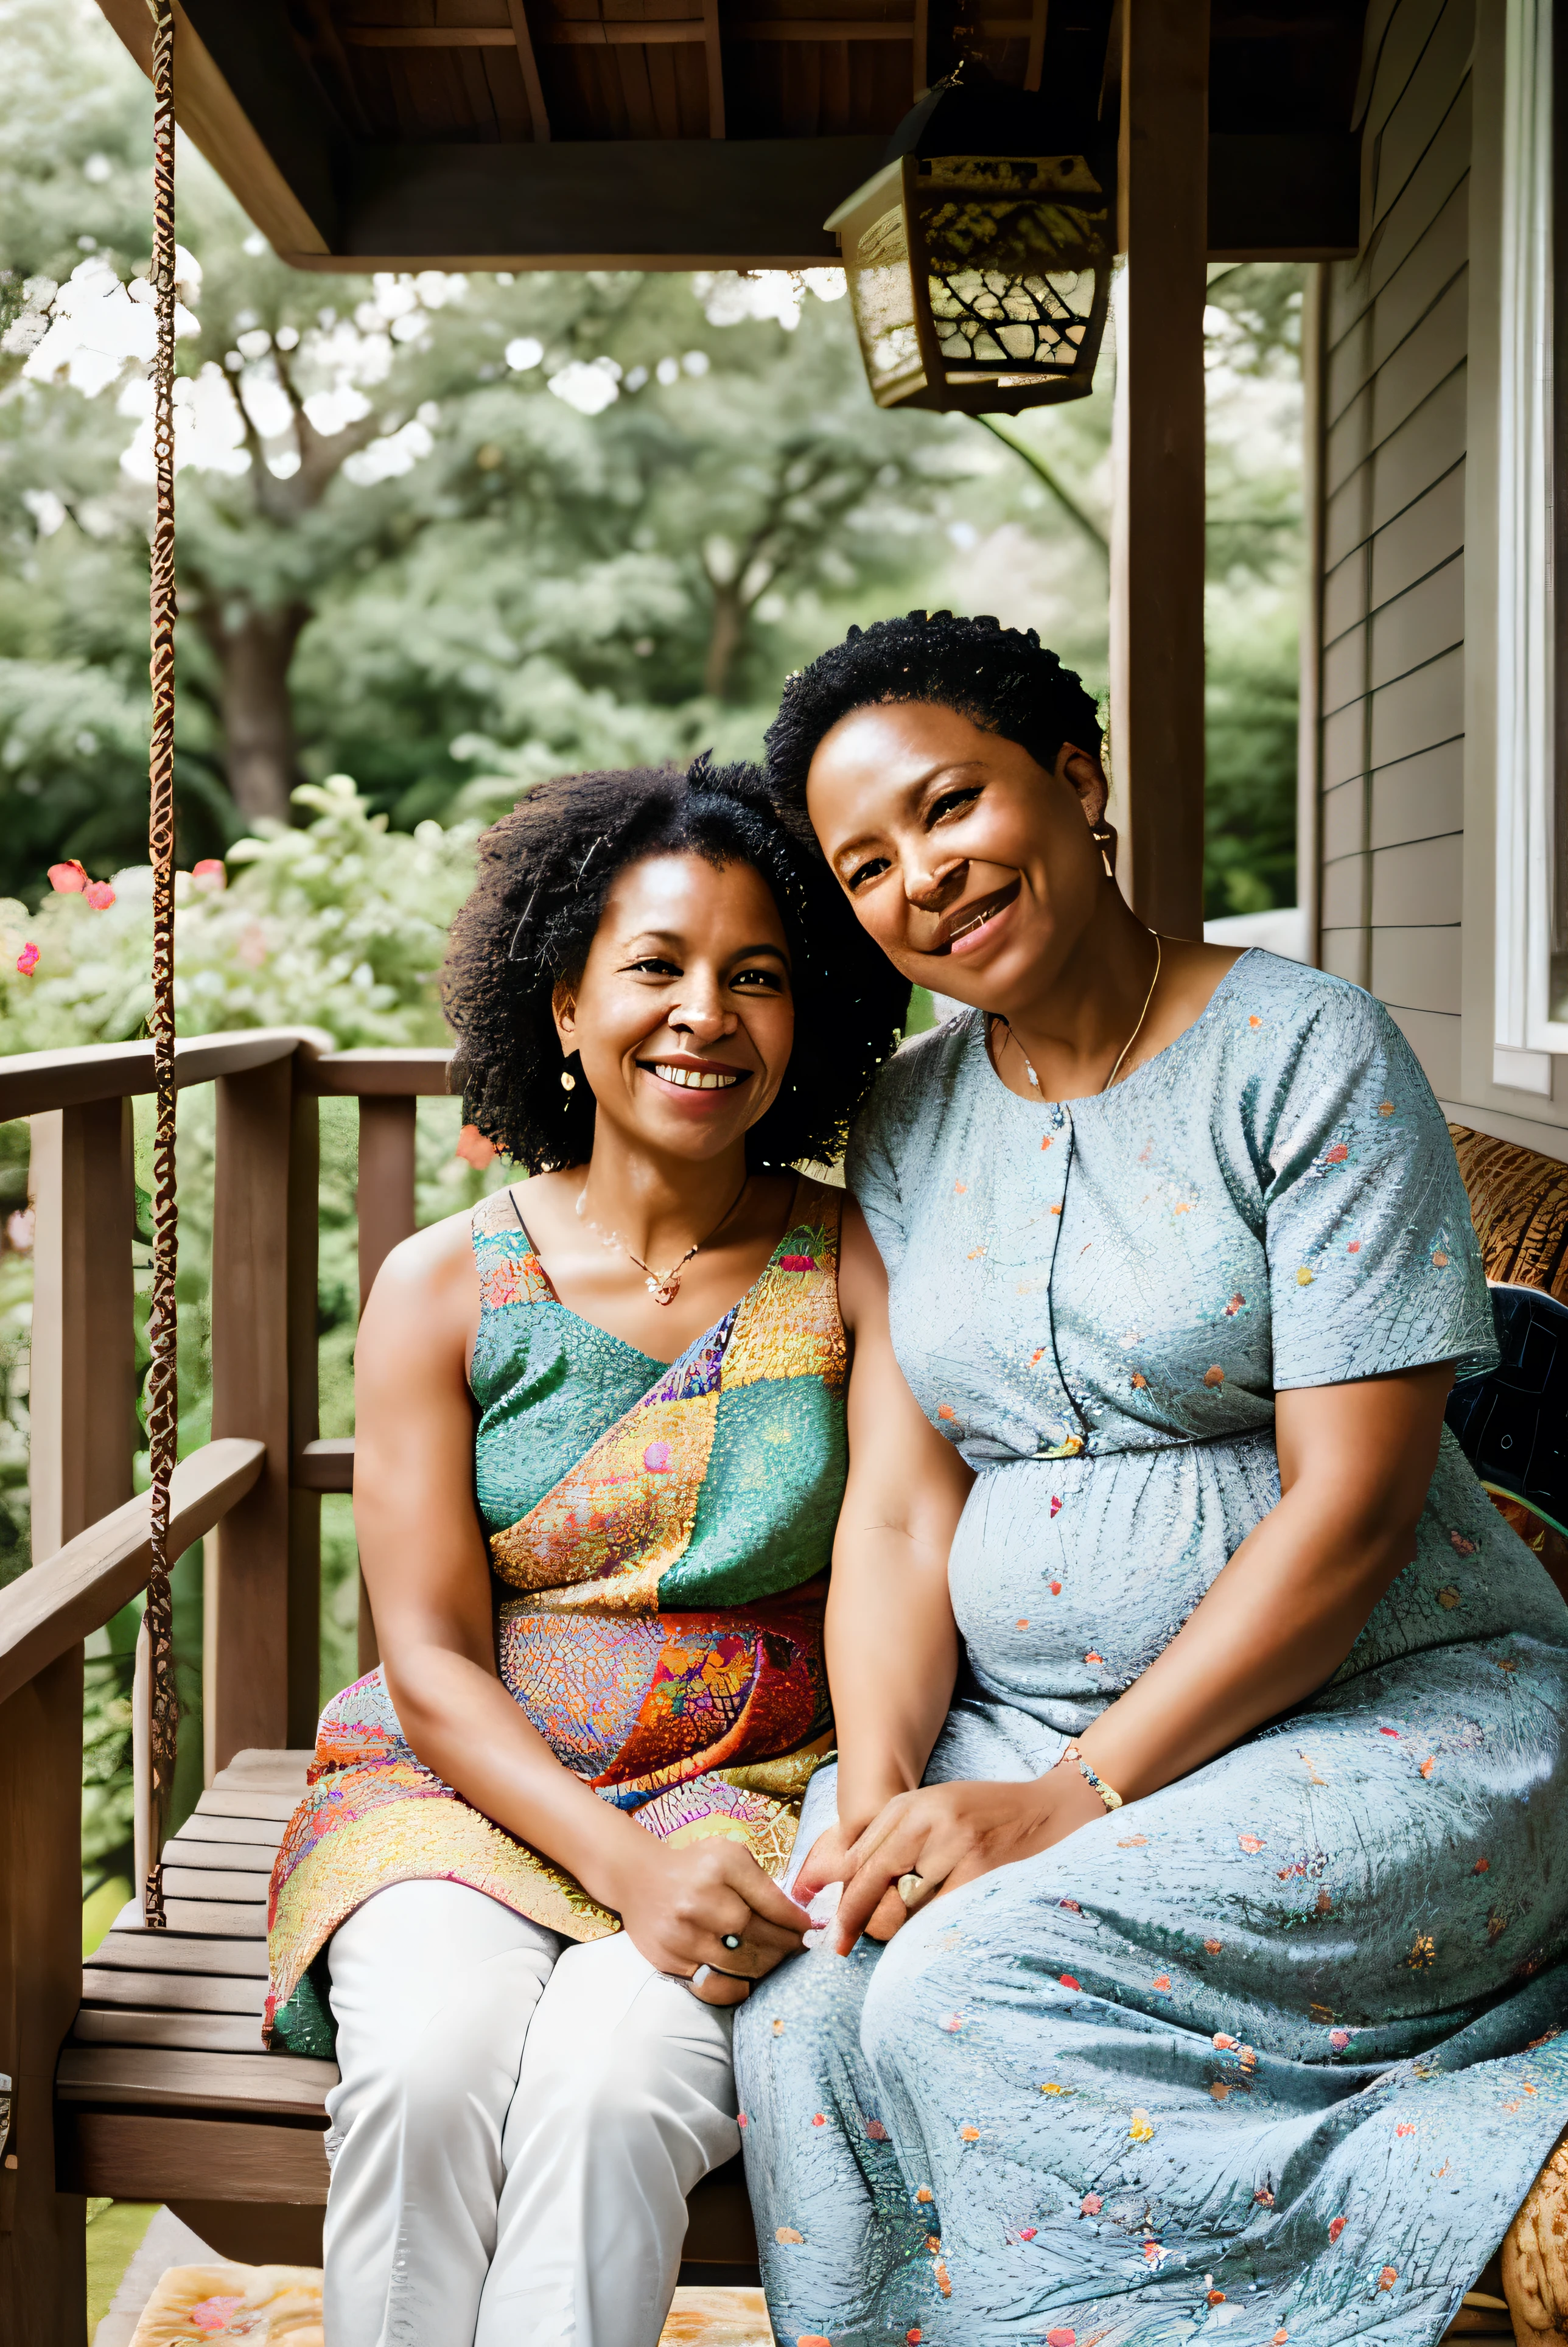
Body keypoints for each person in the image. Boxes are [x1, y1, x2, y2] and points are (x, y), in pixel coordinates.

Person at [732, 612, 1568, 2347]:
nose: (924, 878)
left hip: (1386, 1719)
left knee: (966, 1985)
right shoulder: (906, 1121)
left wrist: (1077, 1803)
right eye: (866, 864)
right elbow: (896, 1512)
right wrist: (882, 1804)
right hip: (1012, 1732)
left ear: (1077, 778)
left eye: (951, 806)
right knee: (818, 1998)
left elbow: (1356, 1506)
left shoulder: (1305, 1050)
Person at [262, 758, 923, 2347]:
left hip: (749, 1788)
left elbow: (898, 1546)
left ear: (810, 1013)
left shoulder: (854, 1263)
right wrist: (615, 1866)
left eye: (756, 977)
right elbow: (426, 1652)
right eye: (657, 967)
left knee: (616, 2097)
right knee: (423, 2081)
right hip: (458, 1789)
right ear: (564, 1006)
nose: (707, 1014)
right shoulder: (442, 1287)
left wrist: (863, 1810)